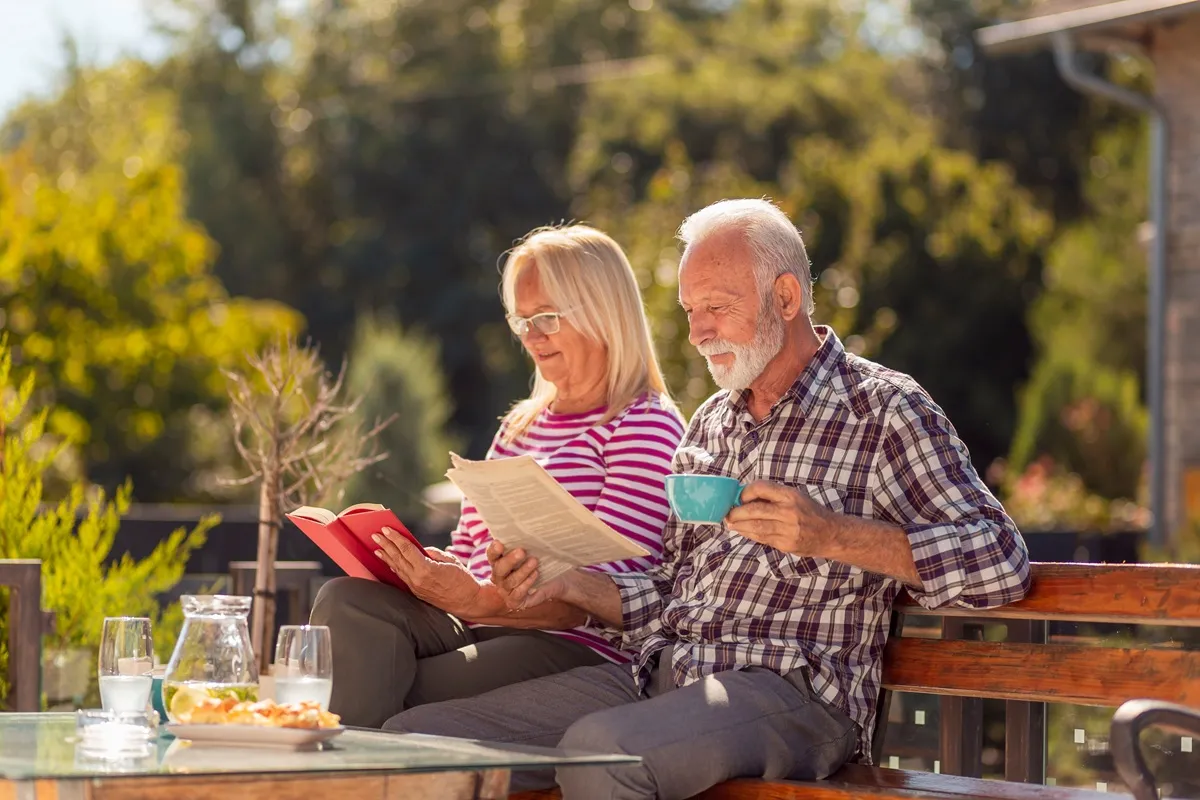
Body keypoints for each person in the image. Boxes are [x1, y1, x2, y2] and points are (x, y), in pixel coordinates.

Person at [382, 199, 1032, 800]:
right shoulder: (711, 427)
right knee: (416, 743)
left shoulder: (884, 410)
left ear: (785, 296)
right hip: (665, 672)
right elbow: (667, 589)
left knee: (603, 751)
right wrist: (568, 581)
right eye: (690, 311)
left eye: (715, 308)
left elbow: (1000, 559)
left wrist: (832, 535)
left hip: (795, 691)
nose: (697, 332)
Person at [310, 225, 685, 728]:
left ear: (603, 314)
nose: (531, 336)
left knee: (384, 677)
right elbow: (470, 549)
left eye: (547, 318)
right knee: (345, 602)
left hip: (575, 645)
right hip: (480, 621)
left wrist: (474, 596)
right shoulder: (521, 424)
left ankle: (342, 777)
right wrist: (434, 572)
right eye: (522, 320)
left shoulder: (643, 424)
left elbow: (613, 594)